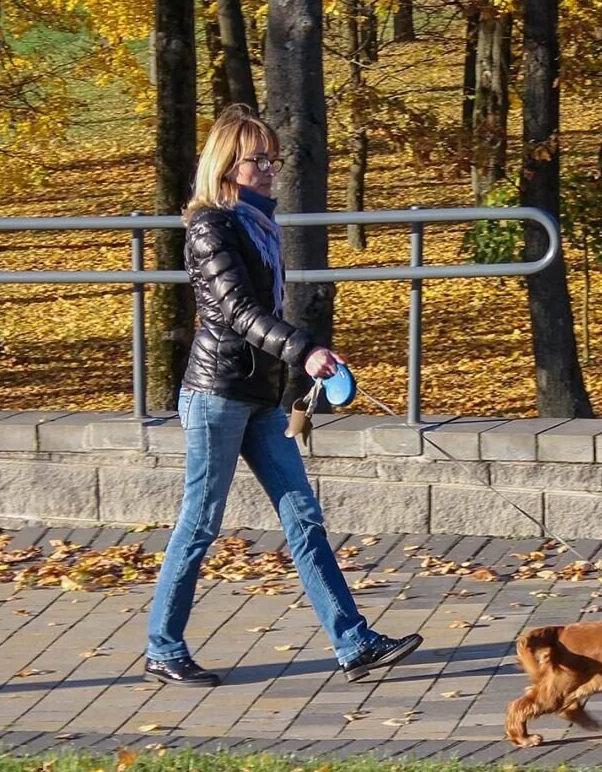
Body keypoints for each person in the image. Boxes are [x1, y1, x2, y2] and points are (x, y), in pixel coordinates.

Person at [145, 104, 422, 687]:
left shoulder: (257, 224)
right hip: (217, 394)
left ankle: (354, 643)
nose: (270, 169)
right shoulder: (209, 227)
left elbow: (261, 313)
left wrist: (297, 361)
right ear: (227, 166)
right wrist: (306, 350)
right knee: (200, 522)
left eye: (273, 158)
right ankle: (163, 647)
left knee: (304, 518)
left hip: (262, 396)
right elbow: (238, 311)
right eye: (257, 160)